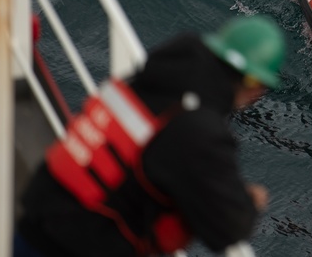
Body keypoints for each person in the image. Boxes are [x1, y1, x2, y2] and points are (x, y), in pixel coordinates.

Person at [15, 17, 287, 257]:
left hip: (38, 213)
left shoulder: (156, 76)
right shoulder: (201, 129)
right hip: (82, 243)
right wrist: (249, 202)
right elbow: (228, 228)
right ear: (254, 84)